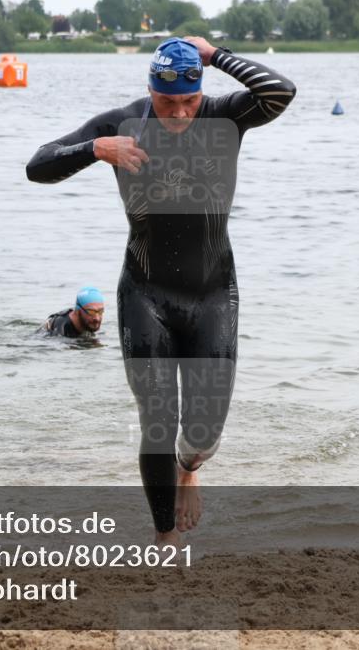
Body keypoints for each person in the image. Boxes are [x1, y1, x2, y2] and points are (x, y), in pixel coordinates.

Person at [26, 36, 296, 546]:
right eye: (166, 102)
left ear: (202, 90)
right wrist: (94, 149)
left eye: (188, 102)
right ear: (149, 89)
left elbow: (280, 91)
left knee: (205, 429)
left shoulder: (225, 116)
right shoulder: (125, 124)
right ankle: (165, 534)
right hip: (145, 293)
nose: (177, 113)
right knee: (157, 417)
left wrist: (218, 56)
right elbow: (38, 164)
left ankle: (189, 467)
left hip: (214, 292)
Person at [40, 286, 105, 337]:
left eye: (100, 311)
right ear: (77, 310)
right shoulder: (62, 329)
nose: (97, 318)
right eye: (91, 312)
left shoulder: (88, 322)